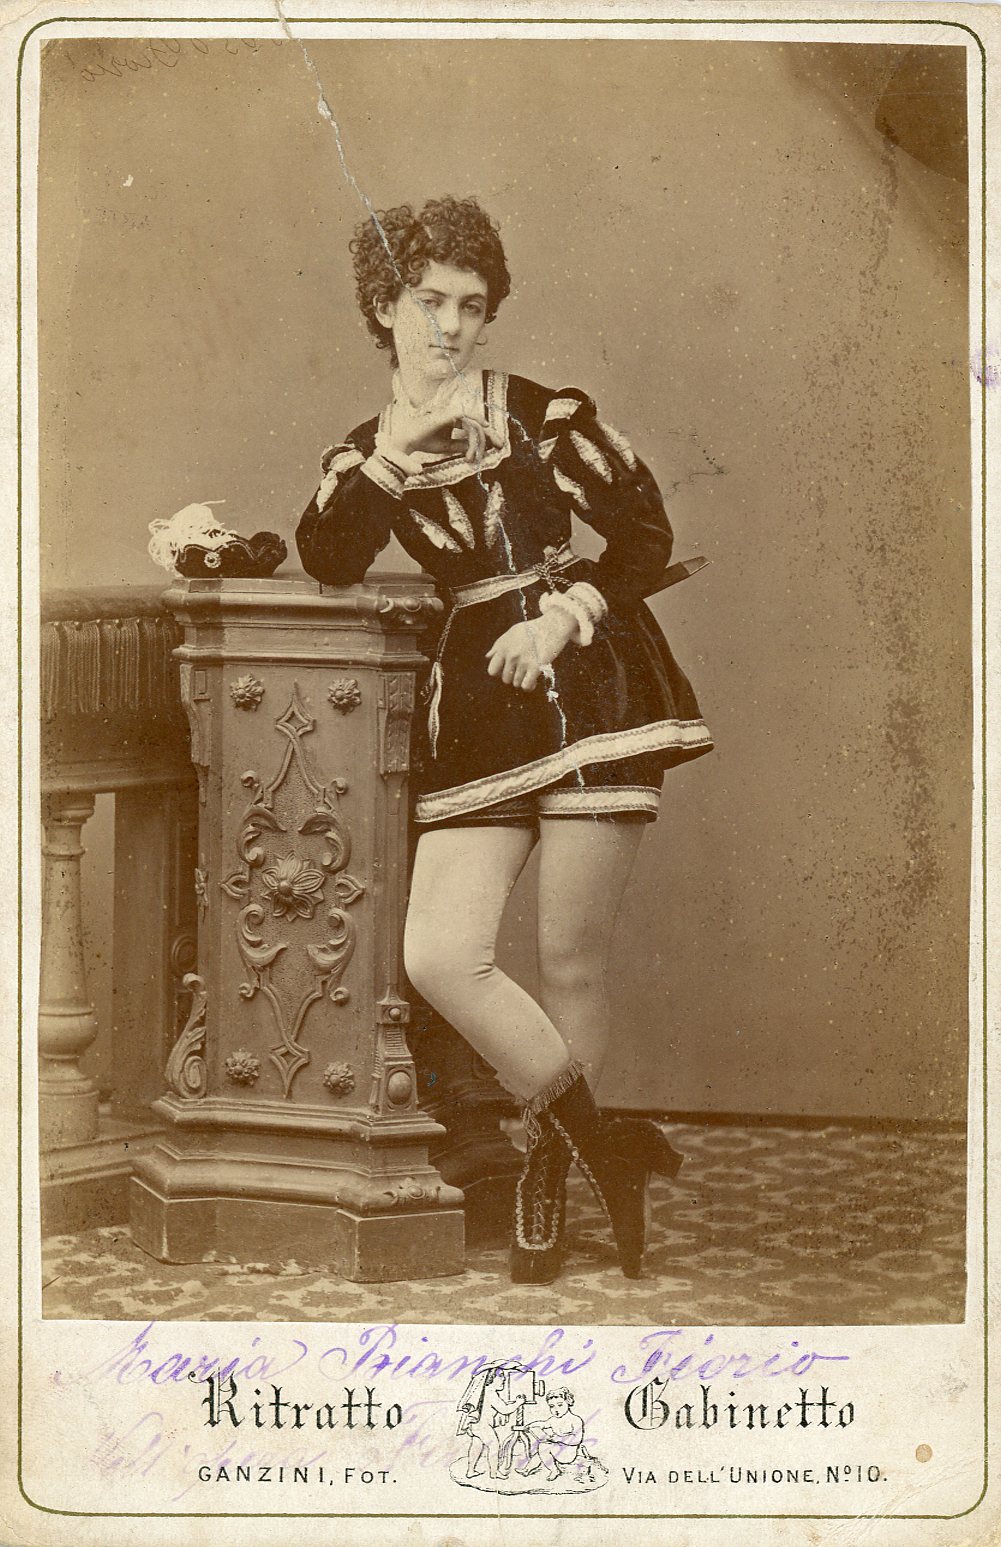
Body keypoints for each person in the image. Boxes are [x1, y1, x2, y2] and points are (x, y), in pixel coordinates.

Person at [296, 195, 712, 1283]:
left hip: (588, 683)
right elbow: (329, 556)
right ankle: (605, 1143)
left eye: (470, 306)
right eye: (427, 301)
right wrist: (391, 455)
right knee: (440, 954)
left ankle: (550, 1172)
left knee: (569, 959)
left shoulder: (537, 415)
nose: (448, 326)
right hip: (478, 709)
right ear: (382, 306)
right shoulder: (365, 451)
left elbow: (644, 535)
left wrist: (559, 616)